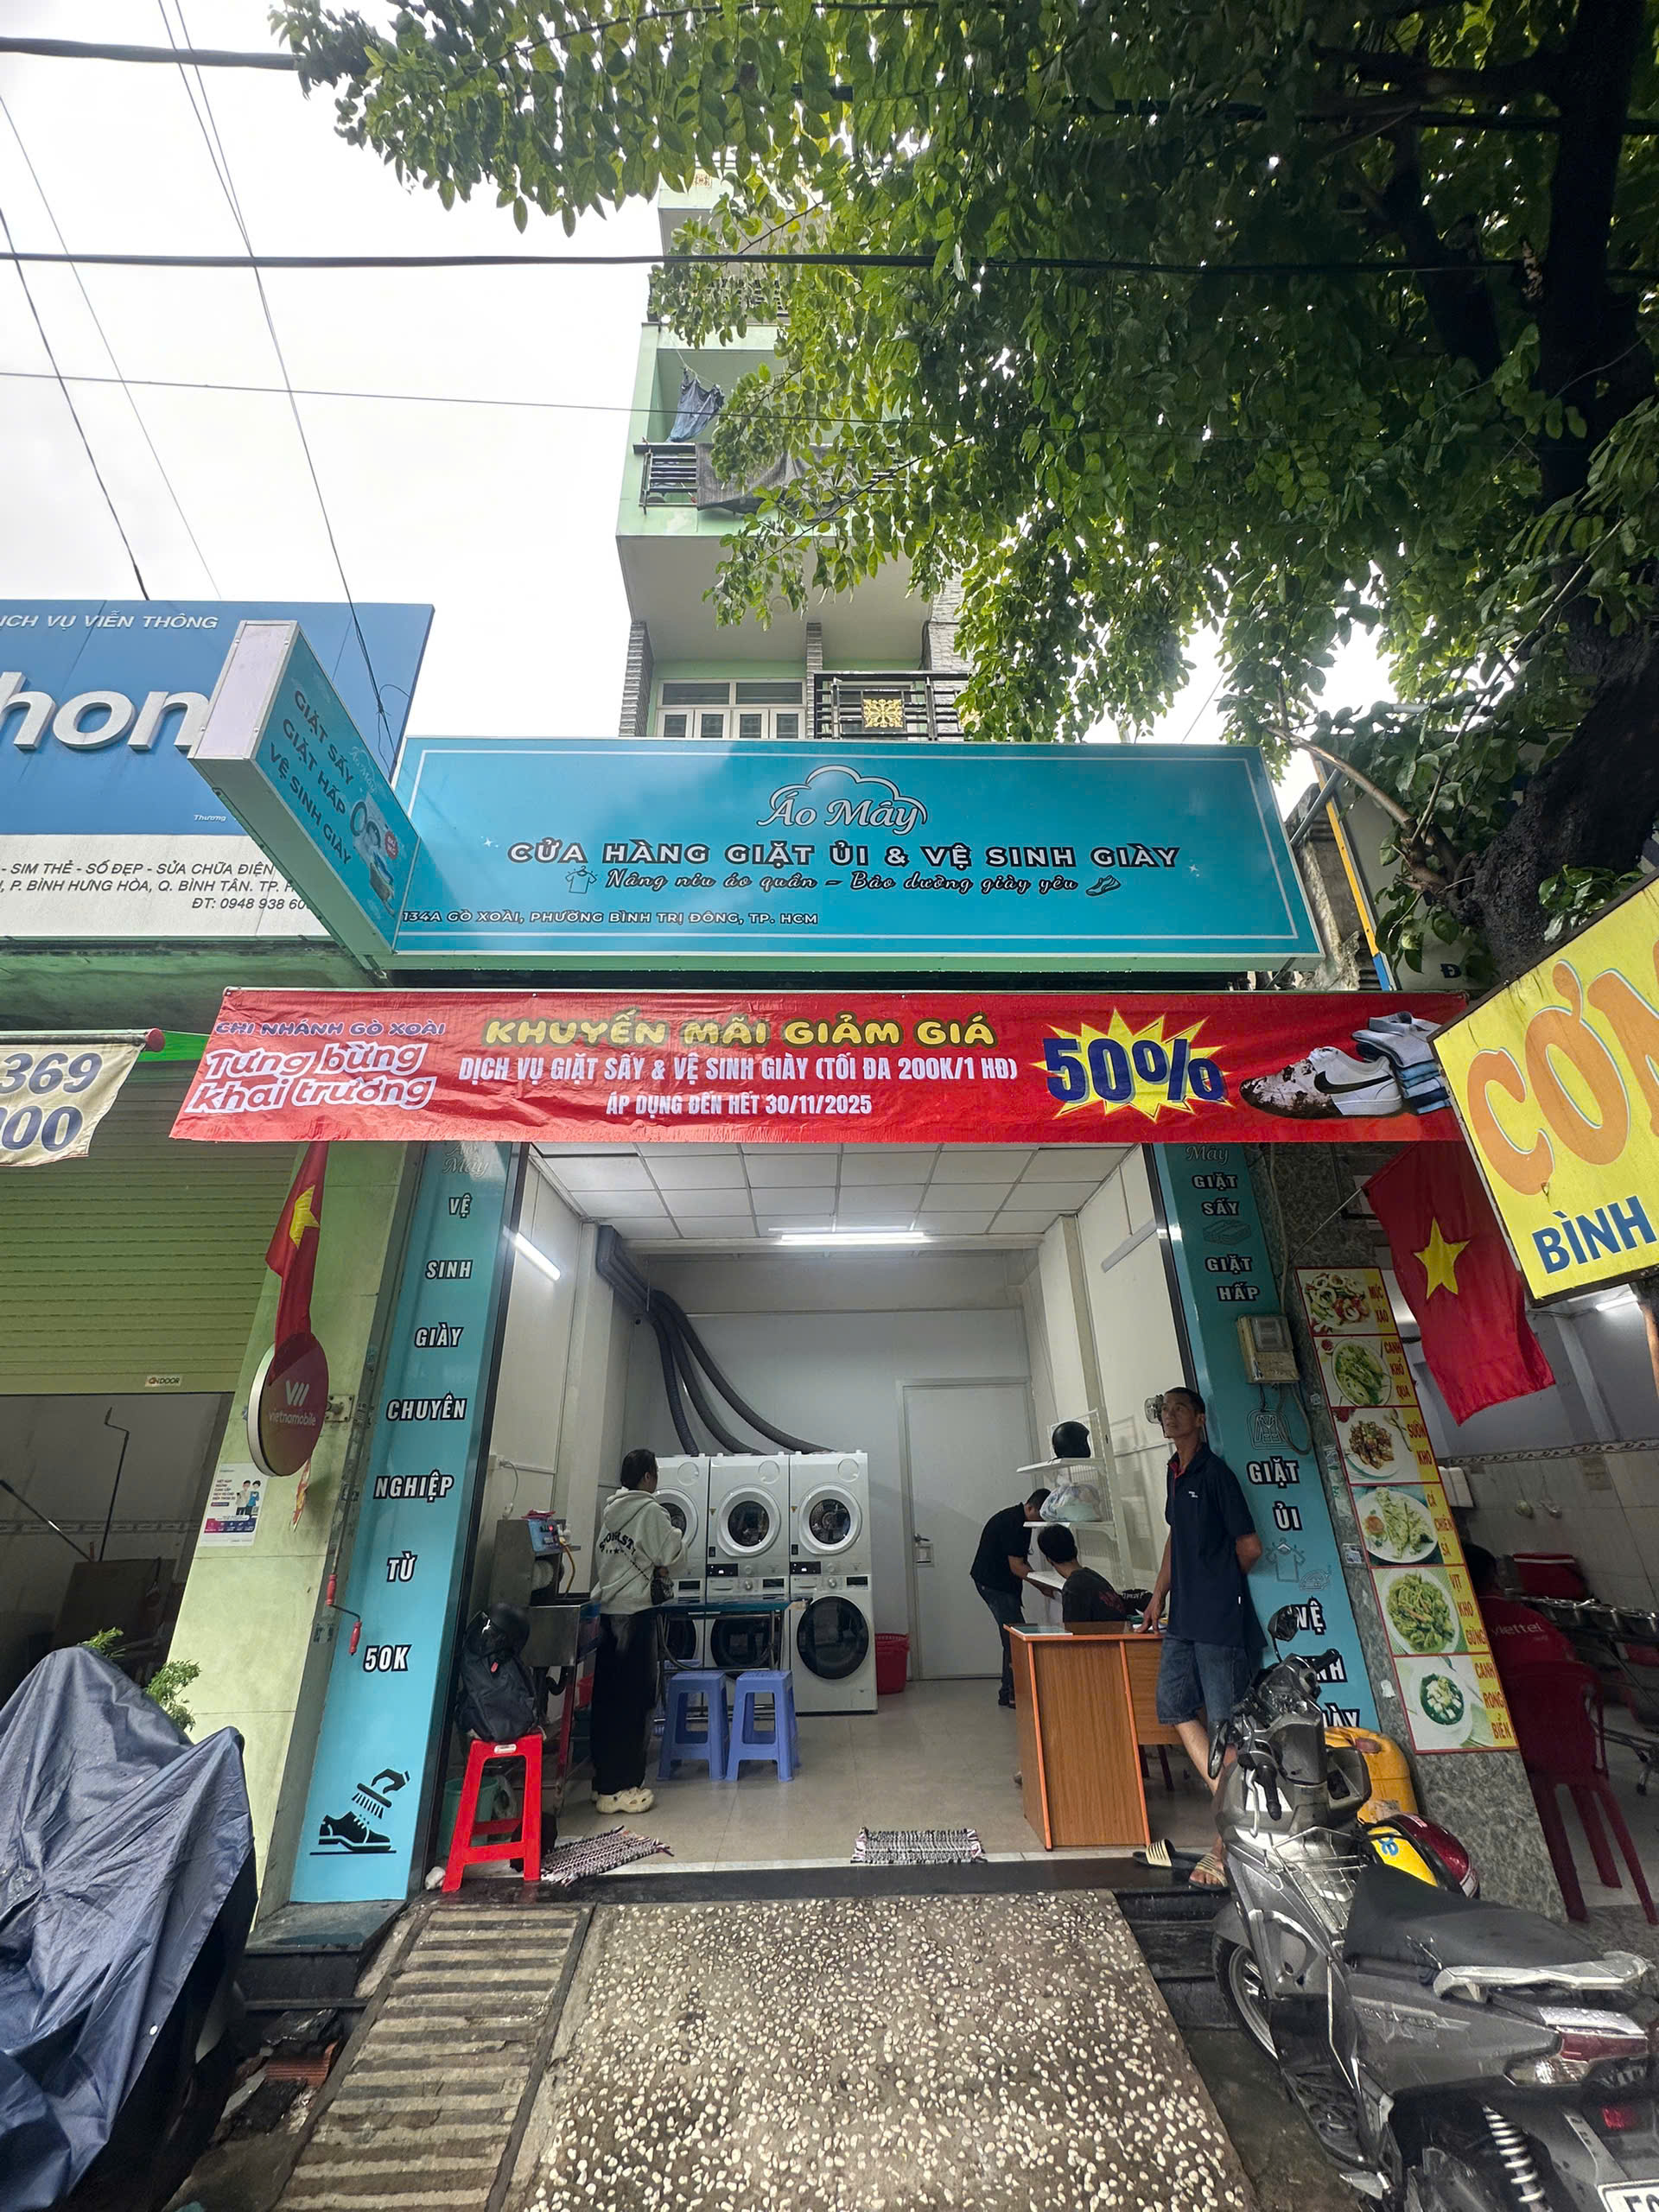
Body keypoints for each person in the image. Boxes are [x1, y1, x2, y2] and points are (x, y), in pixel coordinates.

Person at [1141, 1386, 1263, 1887]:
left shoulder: (1216, 1475)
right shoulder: (1175, 1472)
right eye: (1164, 1410)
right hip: (1183, 1619)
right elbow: (1176, 1539)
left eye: (1178, 1409)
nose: (1169, 1416)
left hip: (1219, 1620)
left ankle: (1225, 1843)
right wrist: (1158, 1595)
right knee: (1171, 1704)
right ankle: (1234, 1810)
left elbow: (1250, 1547)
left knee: (1226, 1729)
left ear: (1199, 1418)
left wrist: (1217, 1585)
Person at [589, 1446, 685, 1815]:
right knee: (636, 1701)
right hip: (635, 1613)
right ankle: (626, 1786)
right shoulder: (650, 1511)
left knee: (608, 1700)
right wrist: (675, 1535)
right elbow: (672, 1555)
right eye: (655, 1473)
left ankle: (604, 1784)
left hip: (608, 1612)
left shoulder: (610, 1512)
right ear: (647, 1476)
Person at [970, 1486, 1051, 1707]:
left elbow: (1020, 1560)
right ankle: (1015, 1693)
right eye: (1041, 1516)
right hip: (994, 1585)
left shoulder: (1020, 1520)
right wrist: (1041, 1585)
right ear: (1031, 1507)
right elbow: (1017, 1567)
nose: (1042, 1522)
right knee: (1015, 1638)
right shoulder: (1014, 1524)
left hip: (994, 1582)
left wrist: (1038, 1582)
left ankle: (1008, 1692)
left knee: (1012, 1636)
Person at [1465, 1544, 1574, 1688]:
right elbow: (1571, 1661)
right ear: (1495, 1579)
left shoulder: (1466, 1626)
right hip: (1563, 1697)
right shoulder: (1533, 1617)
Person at [1037, 1523, 1131, 1624]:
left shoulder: (1073, 1588)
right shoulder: (1093, 1577)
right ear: (1075, 1549)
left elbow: (1074, 1631)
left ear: (1049, 1559)